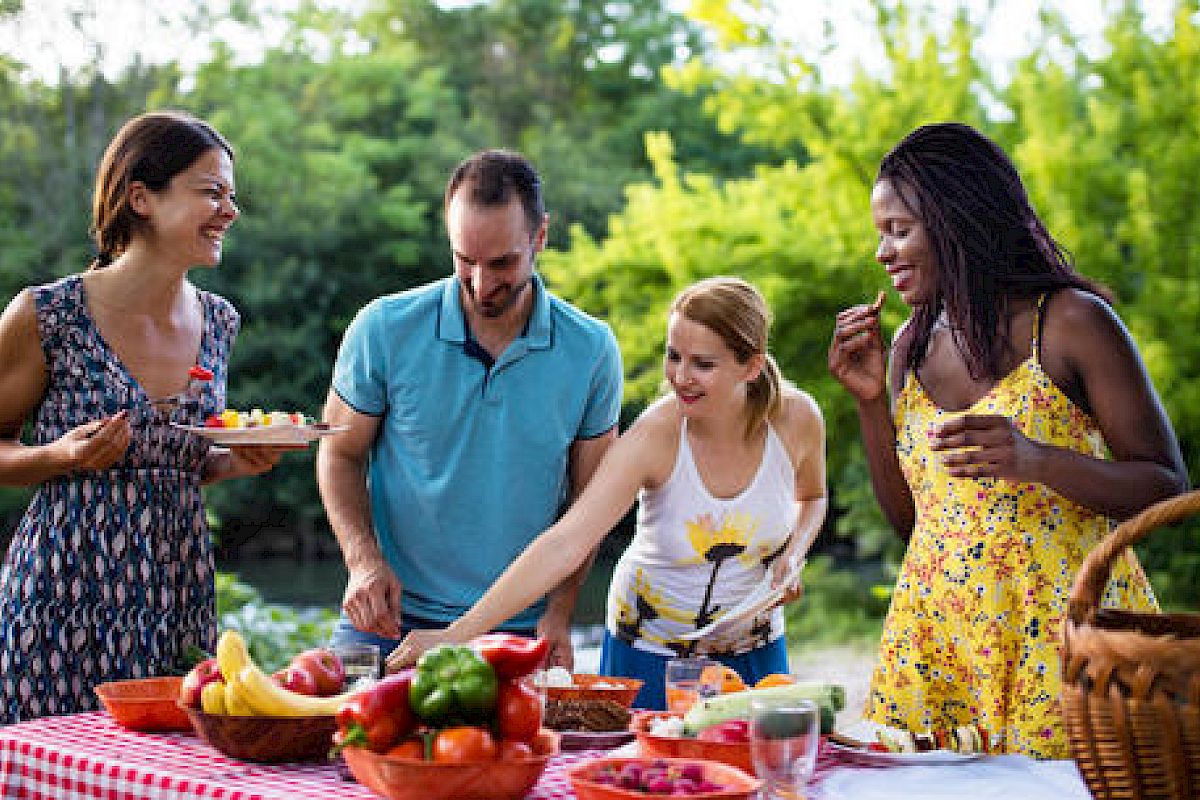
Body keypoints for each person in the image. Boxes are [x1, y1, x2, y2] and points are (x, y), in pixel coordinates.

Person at [828, 122, 1189, 758]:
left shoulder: (1071, 322)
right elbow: (915, 523)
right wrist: (867, 404)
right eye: (880, 233)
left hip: (1061, 641)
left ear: (957, 221)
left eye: (900, 230)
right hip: (941, 643)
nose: (883, 252)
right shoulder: (909, 346)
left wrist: (1036, 459)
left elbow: (1164, 484)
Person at [390, 277, 827, 709]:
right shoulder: (655, 436)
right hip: (650, 652)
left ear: (750, 366)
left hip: (756, 645)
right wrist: (457, 634)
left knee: (768, 774)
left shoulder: (797, 420)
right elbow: (566, 541)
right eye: (674, 356)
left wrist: (794, 553)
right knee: (646, 774)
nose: (680, 377)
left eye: (703, 364)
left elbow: (812, 498)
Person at [0, 111, 285, 722]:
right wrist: (60, 456)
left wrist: (234, 461)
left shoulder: (220, 322)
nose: (230, 210)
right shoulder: (47, 316)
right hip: (62, 596)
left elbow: (171, 462)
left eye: (232, 196)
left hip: (177, 589)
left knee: (167, 771)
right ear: (141, 198)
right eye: (211, 192)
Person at [317, 149, 623, 668]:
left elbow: (589, 503)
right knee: (329, 745)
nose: (482, 284)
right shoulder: (383, 329)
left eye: (502, 263)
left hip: (519, 629)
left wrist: (559, 614)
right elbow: (338, 454)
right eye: (465, 261)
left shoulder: (592, 350)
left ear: (540, 237)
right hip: (389, 621)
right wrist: (363, 562)